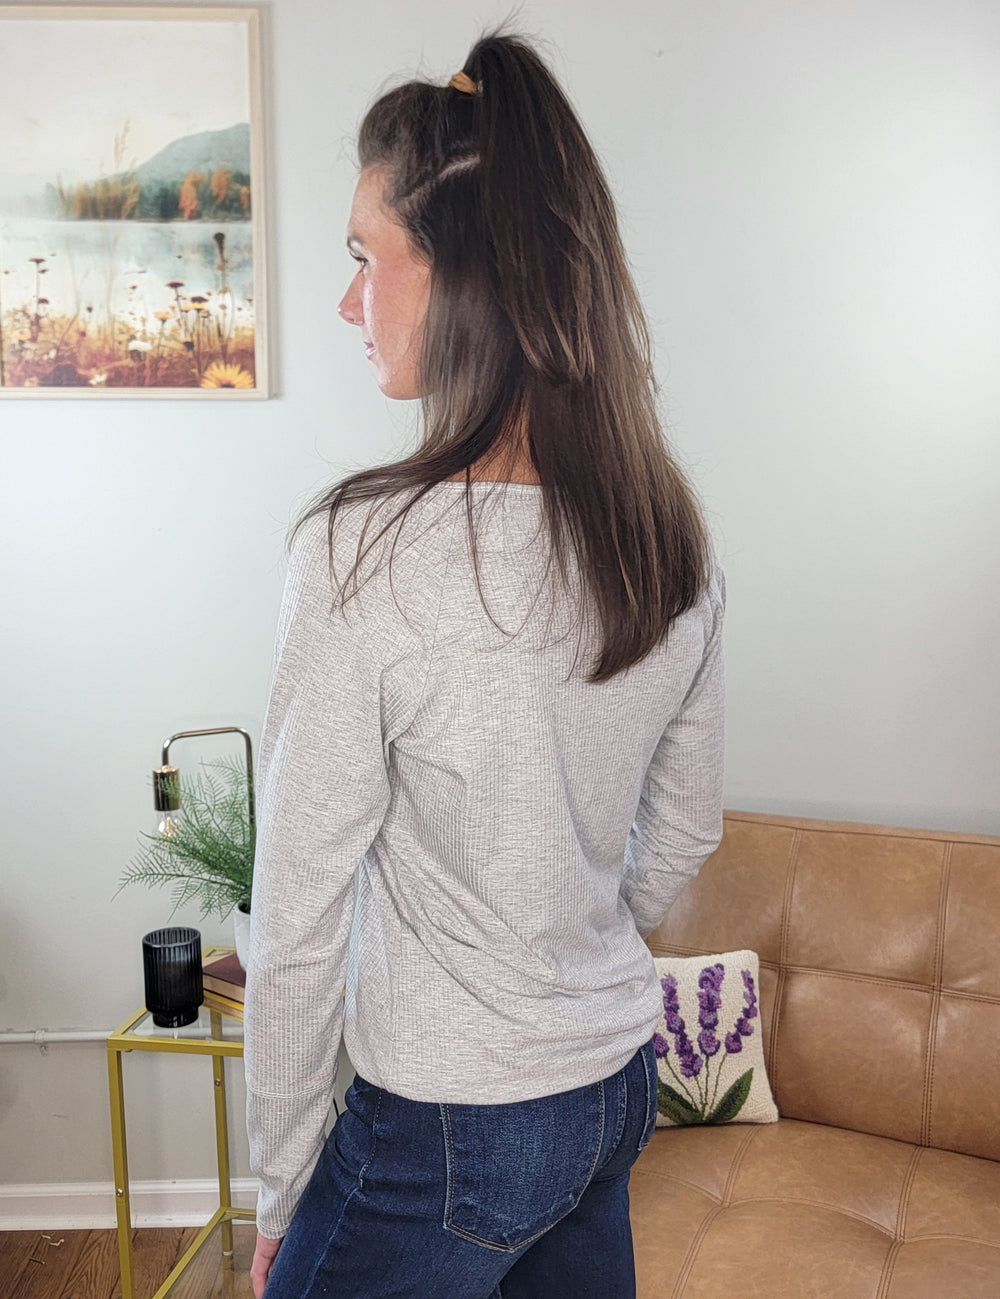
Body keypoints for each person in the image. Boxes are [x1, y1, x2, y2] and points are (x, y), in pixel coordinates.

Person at [244, 26, 725, 1299]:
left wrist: (279, 1189)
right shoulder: (665, 539)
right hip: (611, 1085)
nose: (347, 300)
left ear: (458, 272)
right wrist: (561, 953)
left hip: (450, 1121)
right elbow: (683, 831)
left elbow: (296, 915)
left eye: (365, 256)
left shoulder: (361, 551)